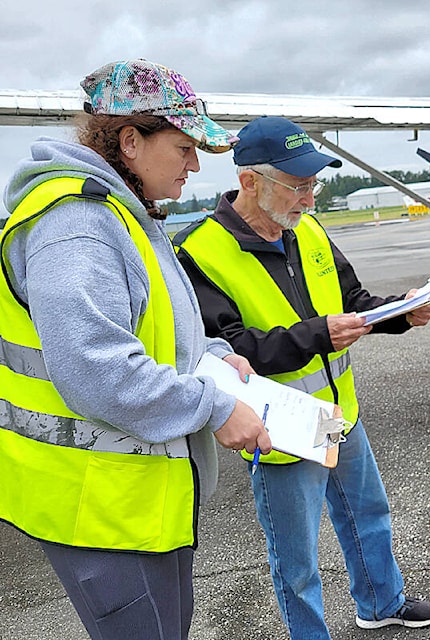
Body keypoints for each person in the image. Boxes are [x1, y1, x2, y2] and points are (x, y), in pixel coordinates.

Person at [0, 59, 271, 640]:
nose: (195, 164)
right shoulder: (76, 224)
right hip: (97, 504)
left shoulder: (121, 212)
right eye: (184, 147)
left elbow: (157, 328)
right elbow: (96, 367)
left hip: (138, 495)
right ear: (131, 140)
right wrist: (217, 407)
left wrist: (211, 355)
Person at [174, 116, 430, 639]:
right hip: (284, 428)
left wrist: (400, 312)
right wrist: (318, 334)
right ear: (250, 181)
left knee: (368, 516)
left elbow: (353, 304)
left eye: (313, 184)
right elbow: (227, 351)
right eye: (298, 185)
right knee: (297, 560)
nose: (310, 199)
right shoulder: (198, 251)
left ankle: (381, 603)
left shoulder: (309, 230)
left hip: (339, 415)